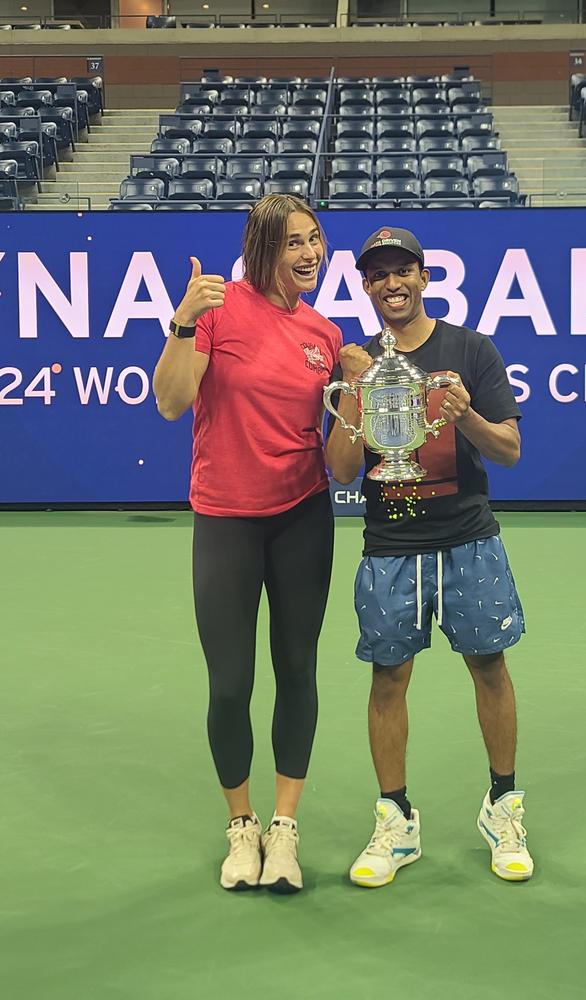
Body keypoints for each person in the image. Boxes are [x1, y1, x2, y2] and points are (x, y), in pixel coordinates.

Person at [325, 226, 534, 888]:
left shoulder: (471, 349)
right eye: (378, 273)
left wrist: (467, 414)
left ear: (425, 276)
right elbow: (339, 472)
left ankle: (503, 805)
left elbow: (508, 450)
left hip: (469, 536)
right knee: (388, 678)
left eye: (403, 270)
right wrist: (354, 394)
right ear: (365, 285)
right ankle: (397, 821)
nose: (392, 283)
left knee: (489, 666)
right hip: (391, 543)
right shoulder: (357, 362)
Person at [153, 194, 342, 894]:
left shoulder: (324, 332)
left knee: (298, 672)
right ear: (263, 246)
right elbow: (171, 401)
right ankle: (242, 828)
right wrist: (181, 322)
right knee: (230, 685)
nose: (310, 254)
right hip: (226, 518)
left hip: (303, 517)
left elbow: (334, 437)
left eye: (316, 239)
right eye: (294, 242)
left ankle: (284, 831)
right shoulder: (216, 310)